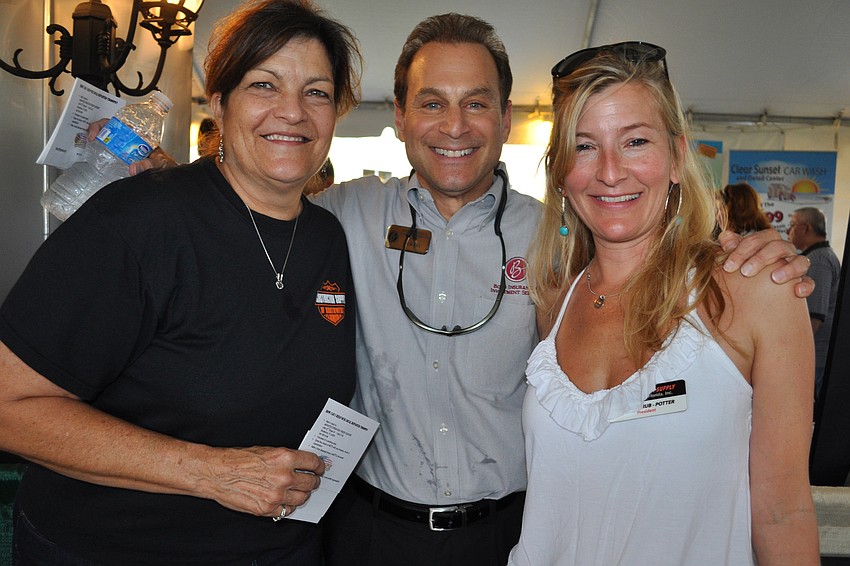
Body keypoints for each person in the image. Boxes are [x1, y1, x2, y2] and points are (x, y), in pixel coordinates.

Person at [111, 15, 814, 566]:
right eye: (432, 103)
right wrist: (178, 182)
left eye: (476, 104)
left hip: (508, 533)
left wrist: (747, 251)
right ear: (401, 120)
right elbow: (254, 209)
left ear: (506, 121)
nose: (454, 126)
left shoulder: (559, 245)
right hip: (370, 532)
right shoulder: (344, 217)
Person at [0, 1, 360, 564]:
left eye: (316, 92)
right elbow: (8, 404)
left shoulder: (328, 238)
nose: (292, 112)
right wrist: (214, 473)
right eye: (264, 85)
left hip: (281, 549)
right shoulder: (135, 222)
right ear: (219, 102)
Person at [512, 42, 819, 565]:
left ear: (677, 157)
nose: (610, 172)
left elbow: (782, 514)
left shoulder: (754, 292)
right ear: (561, 172)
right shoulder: (555, 298)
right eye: (584, 147)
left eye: (635, 141)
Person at [789, 206, 840, 399]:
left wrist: (794, 353)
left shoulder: (818, 260)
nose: (789, 231)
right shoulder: (816, 256)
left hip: (815, 357)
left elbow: (814, 317)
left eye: (793, 225)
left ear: (807, 228)